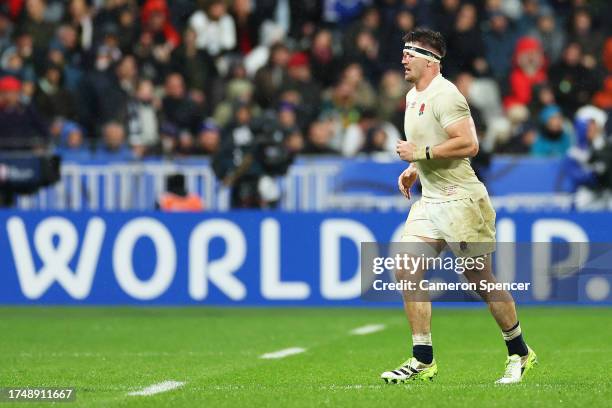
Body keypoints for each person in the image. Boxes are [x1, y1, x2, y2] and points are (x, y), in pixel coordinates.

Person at [383, 28, 537, 385]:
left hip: (461, 199)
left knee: (479, 279)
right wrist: (414, 170)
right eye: (403, 51)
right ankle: (423, 360)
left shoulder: (446, 95)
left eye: (410, 52)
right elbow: (430, 144)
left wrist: (418, 155)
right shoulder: (411, 97)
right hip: (431, 199)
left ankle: (520, 352)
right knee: (406, 268)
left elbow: (469, 143)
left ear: (430, 60)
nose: (403, 58)